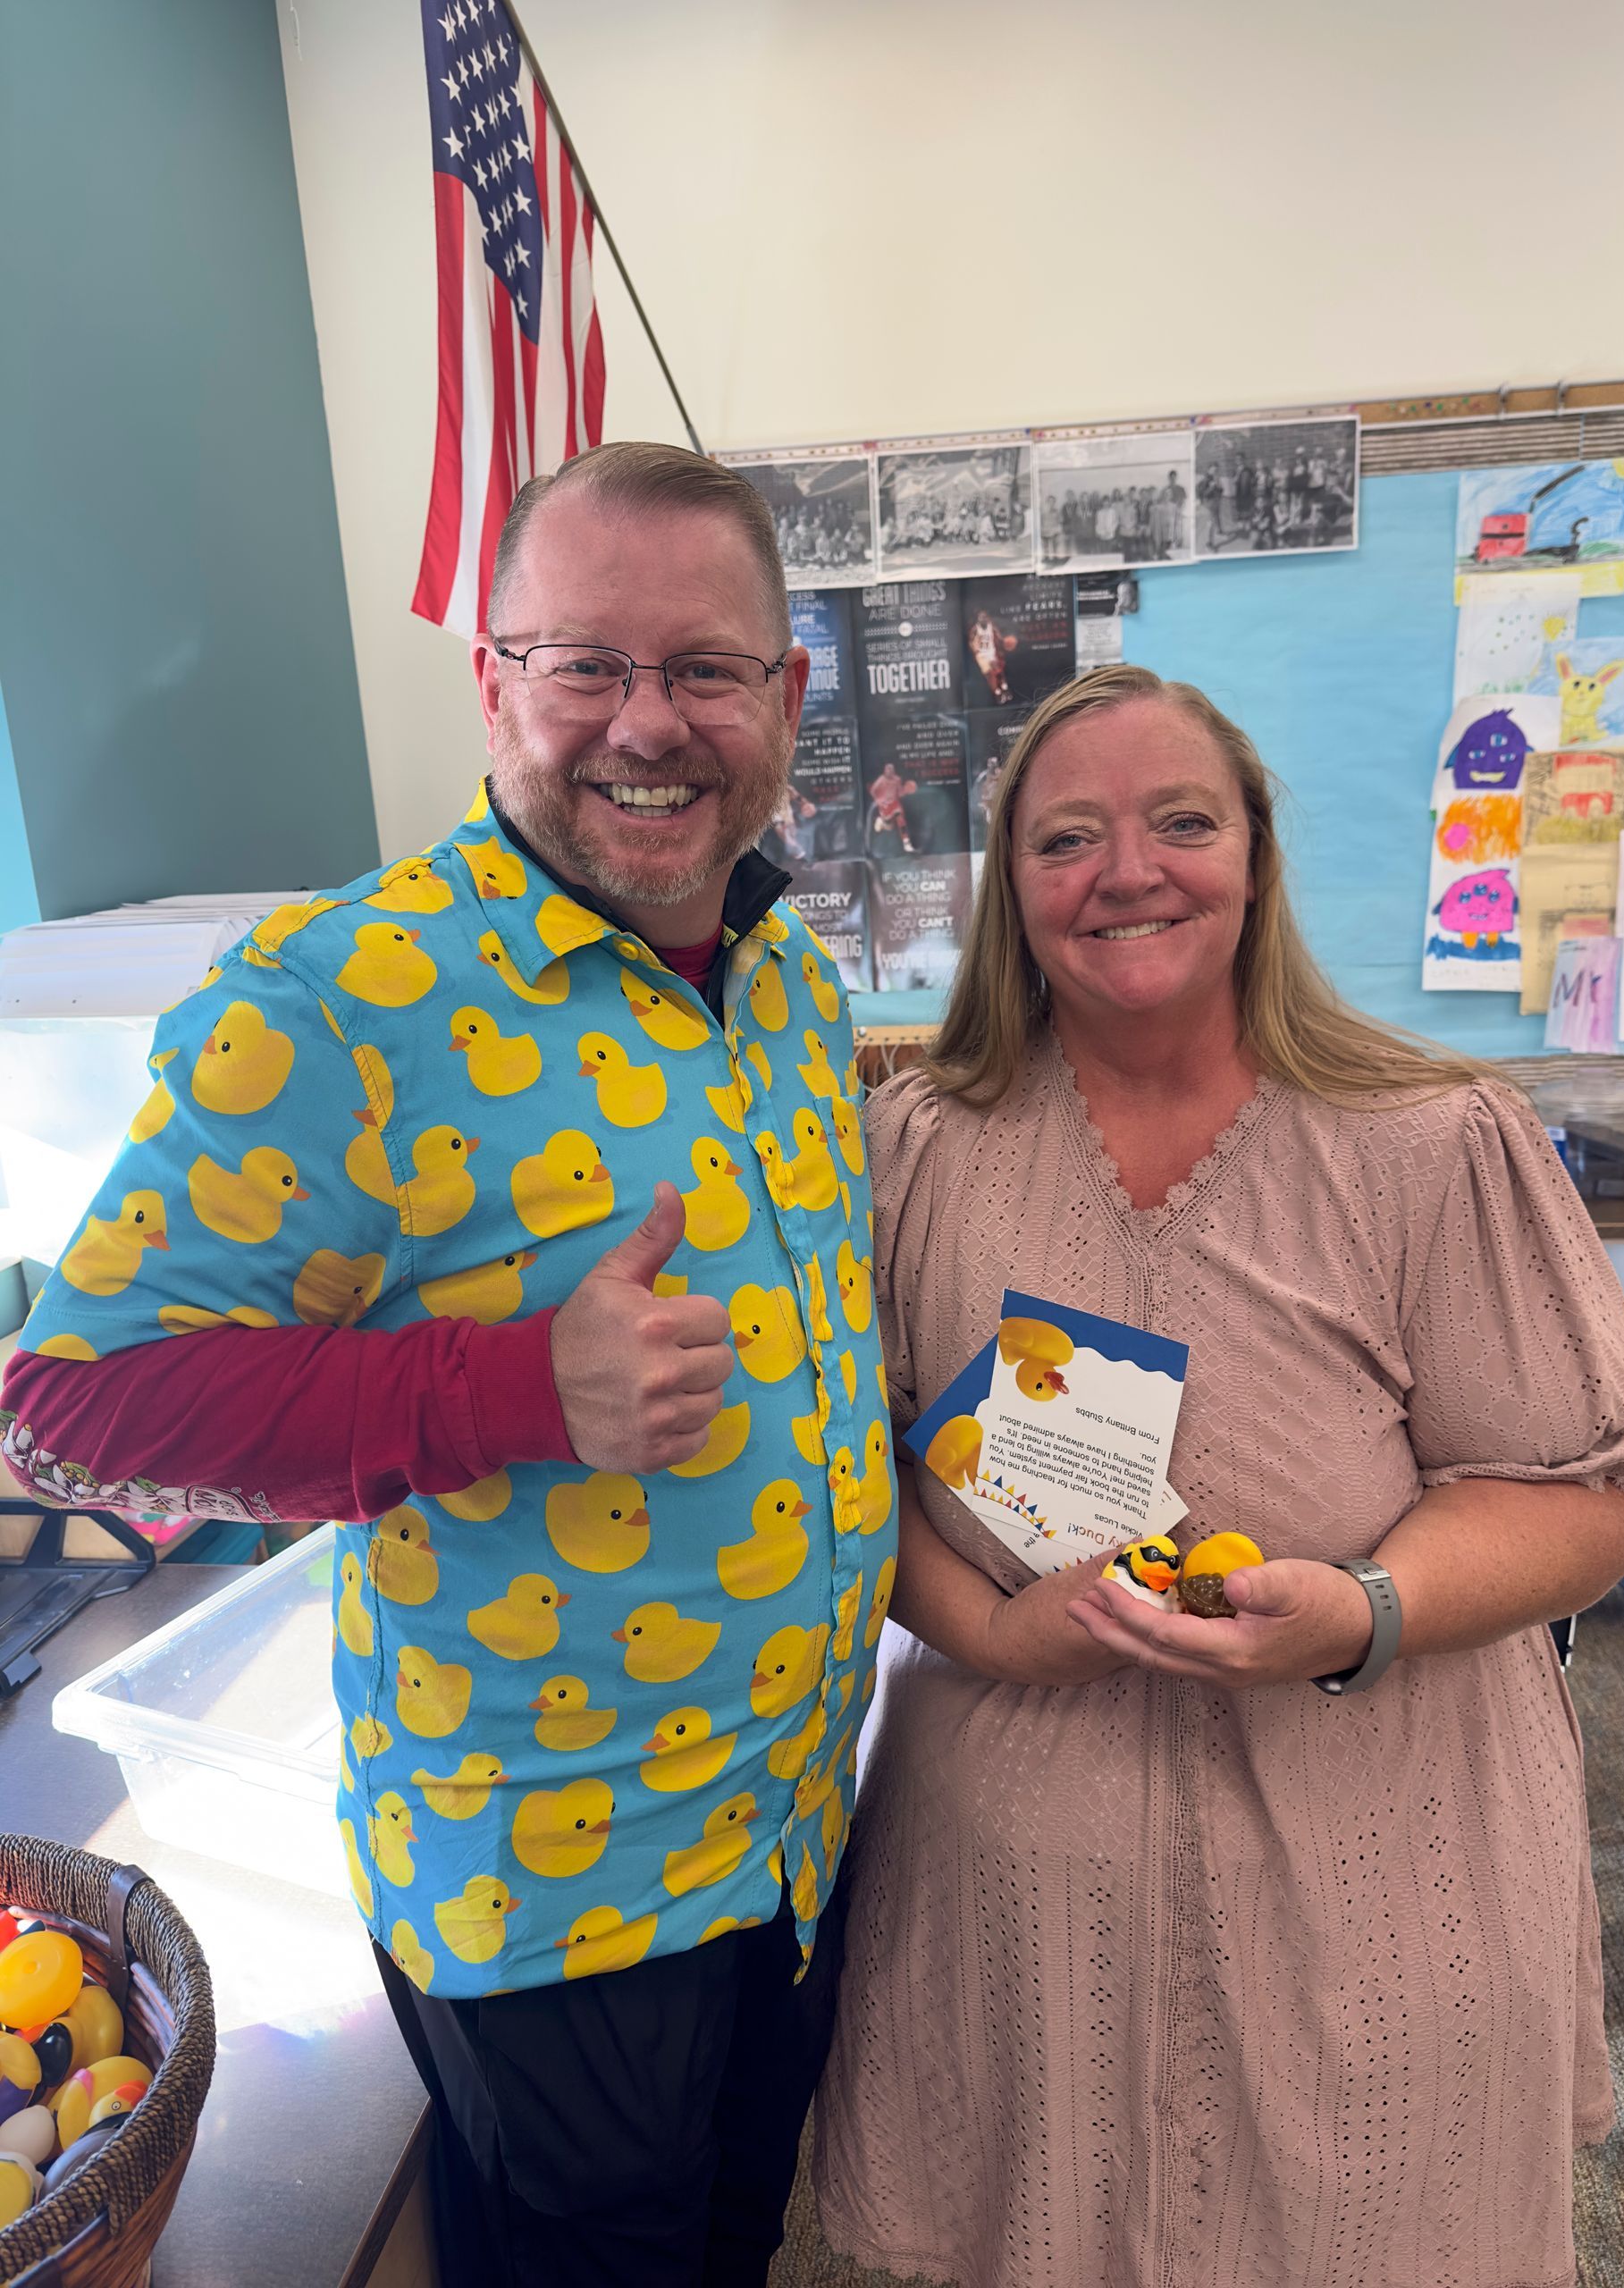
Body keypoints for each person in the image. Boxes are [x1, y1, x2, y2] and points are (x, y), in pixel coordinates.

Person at [3, 441, 896, 2288]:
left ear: (787, 696)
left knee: (735, 2245)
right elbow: (78, 1393)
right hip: (563, 1906)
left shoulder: (793, 974)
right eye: (585, 663)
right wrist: (510, 1388)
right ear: (494, 680)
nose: (647, 724)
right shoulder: (339, 1000)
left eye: (706, 668)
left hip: (798, 1829)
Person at [812, 661, 1624, 2287]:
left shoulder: (1427, 1139)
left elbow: (1589, 1497)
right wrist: (995, 1634)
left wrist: (1361, 1607)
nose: (1127, 870)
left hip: (1380, 1881)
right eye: (1068, 839)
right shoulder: (918, 1147)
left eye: (1180, 822)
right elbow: (856, 1477)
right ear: (1015, 893)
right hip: (1022, 1913)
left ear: (1259, 857)